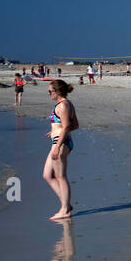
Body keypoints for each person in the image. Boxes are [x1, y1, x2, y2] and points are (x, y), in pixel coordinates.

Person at [44, 80, 79, 220]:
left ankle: (65, 210)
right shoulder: (66, 104)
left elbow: (66, 126)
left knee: (60, 176)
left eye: (50, 91)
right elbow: (74, 125)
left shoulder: (63, 105)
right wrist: (54, 131)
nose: (49, 93)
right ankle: (66, 204)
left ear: (57, 91)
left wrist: (57, 146)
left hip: (60, 143)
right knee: (47, 175)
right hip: (59, 140)